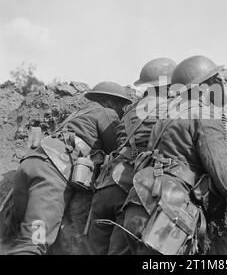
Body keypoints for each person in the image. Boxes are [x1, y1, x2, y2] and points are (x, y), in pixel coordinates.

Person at [121, 55, 227, 255]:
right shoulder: (204, 116)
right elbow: (226, 178)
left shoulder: (167, 114)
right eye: (218, 81)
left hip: (140, 202)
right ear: (208, 85)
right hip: (168, 212)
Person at [7, 82, 133, 255]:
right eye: (121, 106)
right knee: (34, 242)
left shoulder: (77, 114)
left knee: (15, 237)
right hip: (51, 170)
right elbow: (116, 147)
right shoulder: (107, 112)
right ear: (111, 102)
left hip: (31, 163)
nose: (121, 111)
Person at [87, 58, 177, 255]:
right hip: (130, 187)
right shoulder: (171, 108)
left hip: (106, 185)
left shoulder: (129, 111)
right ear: (169, 85)